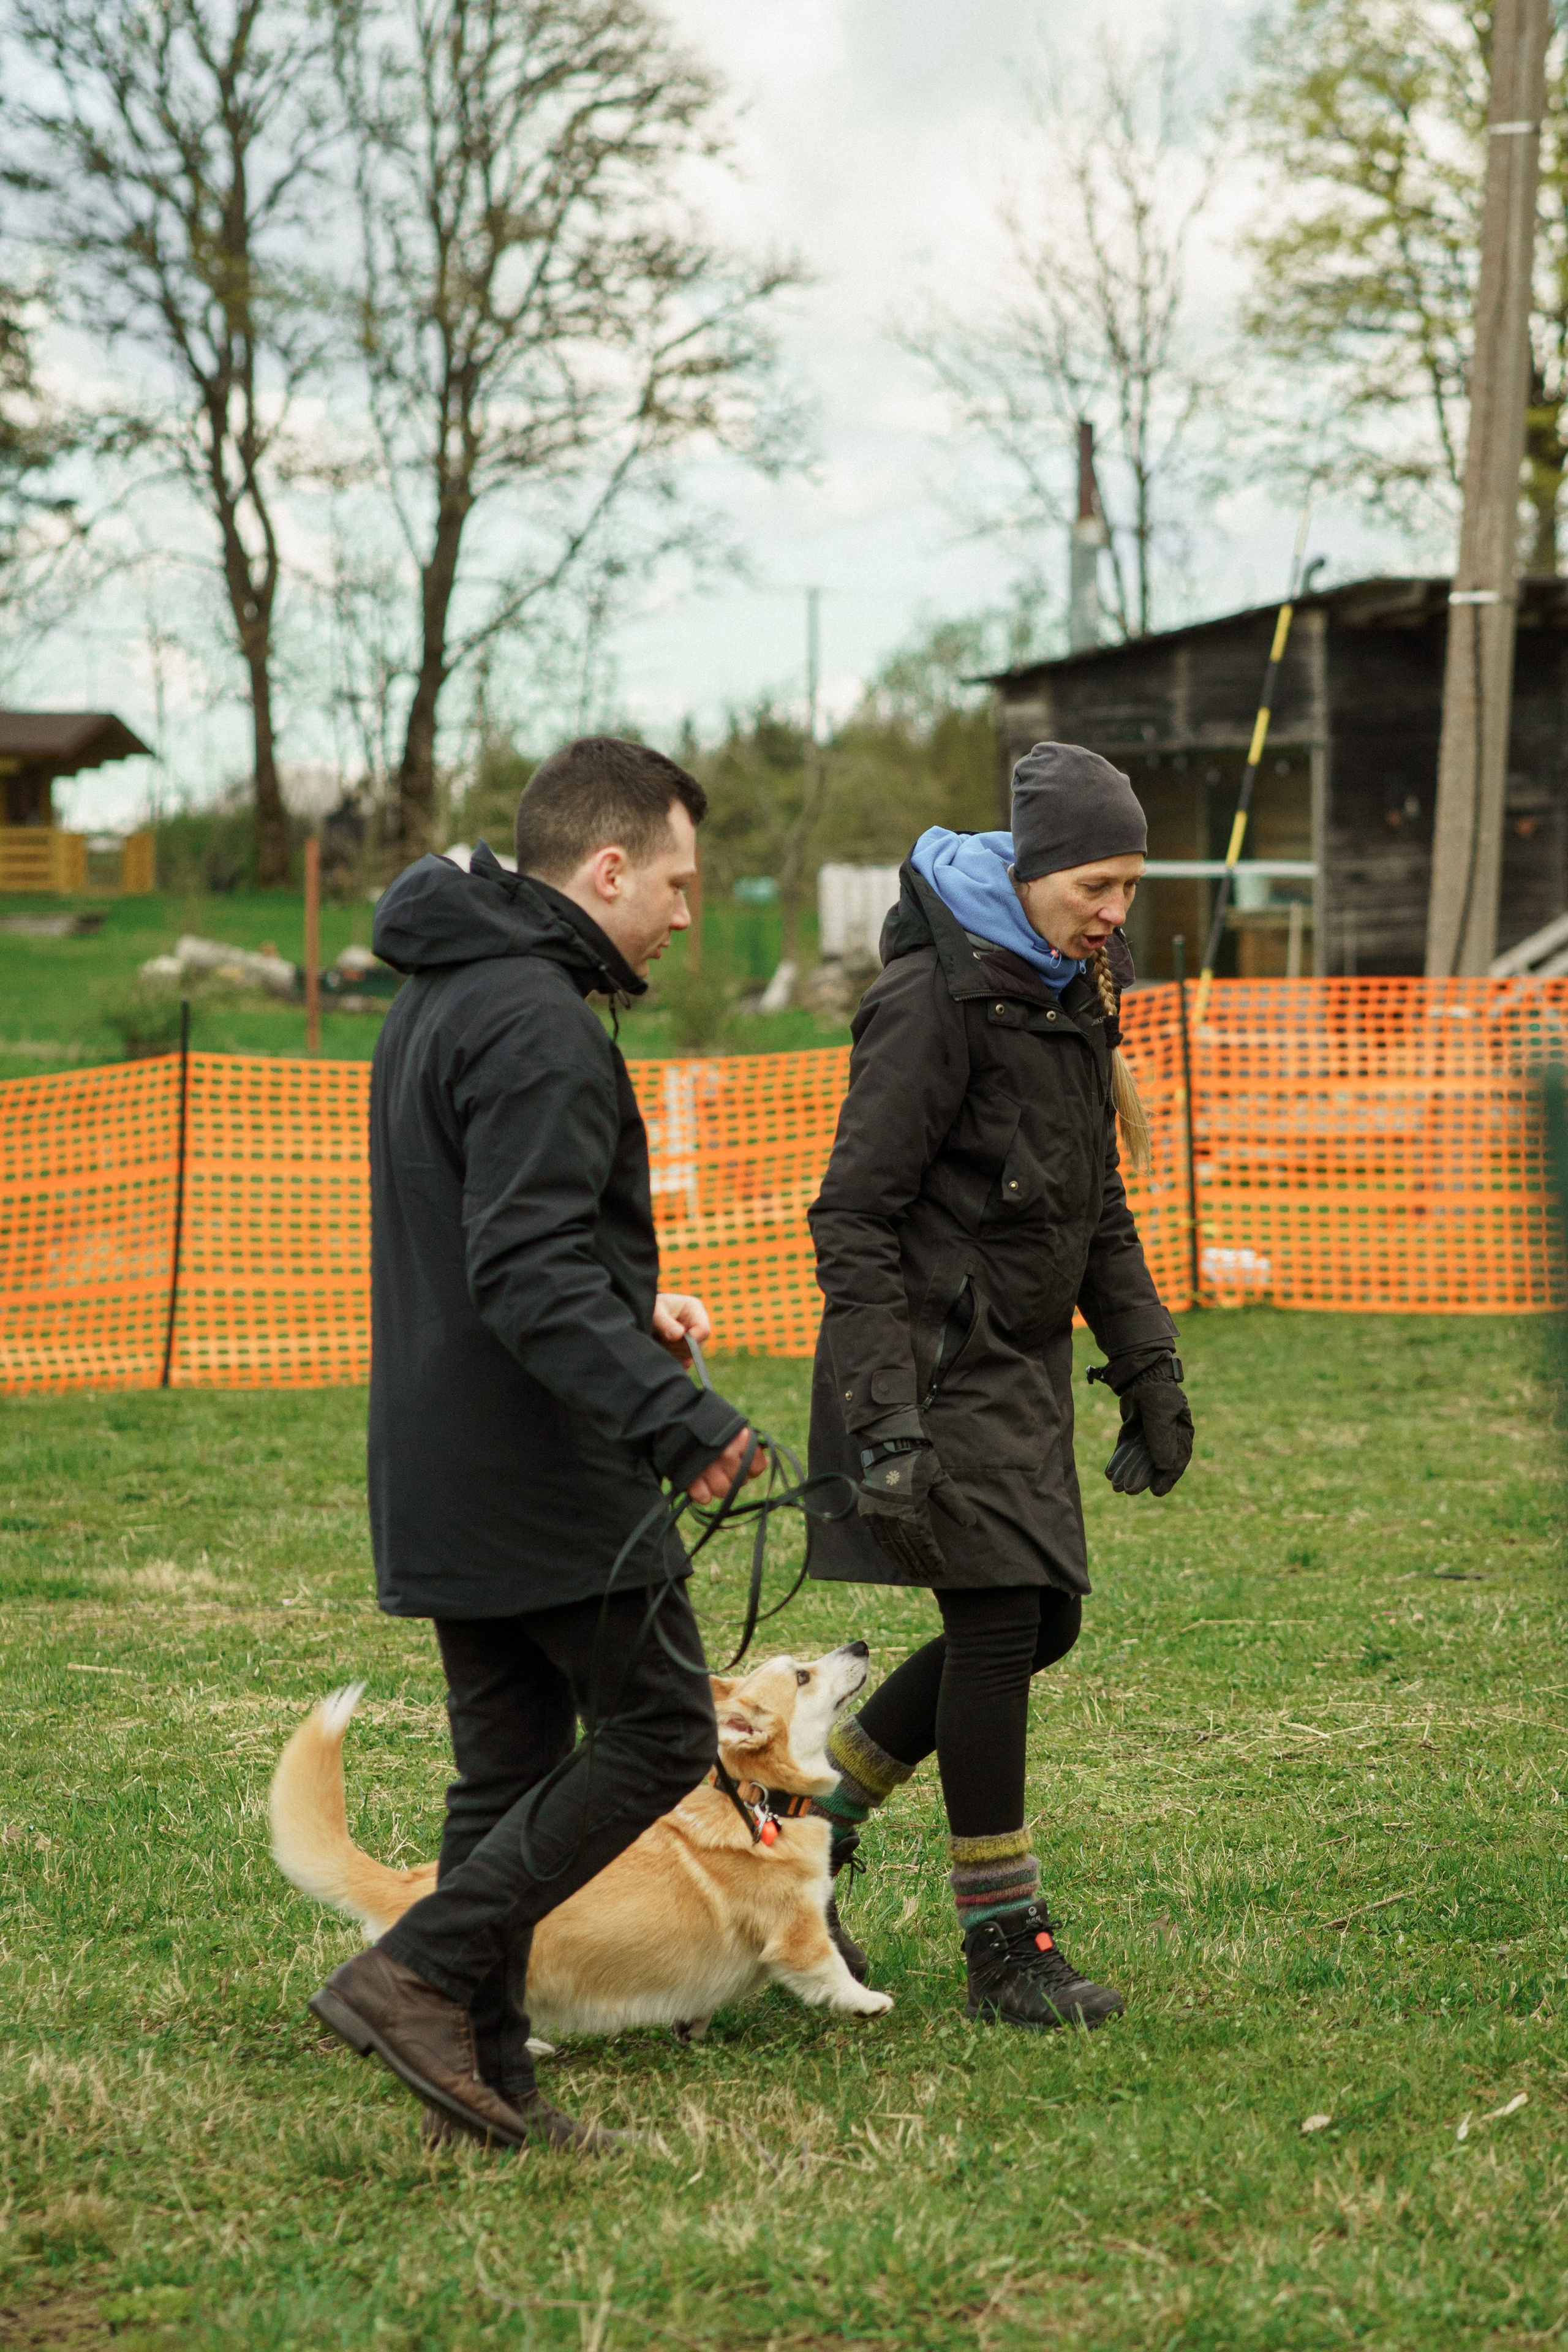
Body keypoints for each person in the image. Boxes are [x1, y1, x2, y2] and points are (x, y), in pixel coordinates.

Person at [309, 737, 761, 2152]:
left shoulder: (444, 994)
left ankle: (482, 2077)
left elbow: (499, 1240)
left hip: (450, 1459)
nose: (684, 914)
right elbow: (523, 1270)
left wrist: (631, 1306)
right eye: (676, 885)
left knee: (504, 1774)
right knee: (660, 1733)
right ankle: (420, 1970)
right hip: (541, 1465)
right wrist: (678, 1414)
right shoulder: (541, 1023)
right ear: (607, 868)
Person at [805, 742, 1194, 2031]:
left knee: (1045, 1624)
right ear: (1031, 871)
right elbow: (853, 1215)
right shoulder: (933, 1000)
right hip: (921, 1369)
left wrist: (1148, 1370)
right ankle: (1005, 1948)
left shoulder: (1072, 992)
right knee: (993, 1631)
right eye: (1095, 884)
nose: (1114, 911)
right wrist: (881, 1417)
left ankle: (805, 1820)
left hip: (1016, 1368)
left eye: (1131, 887)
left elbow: (1097, 1211)